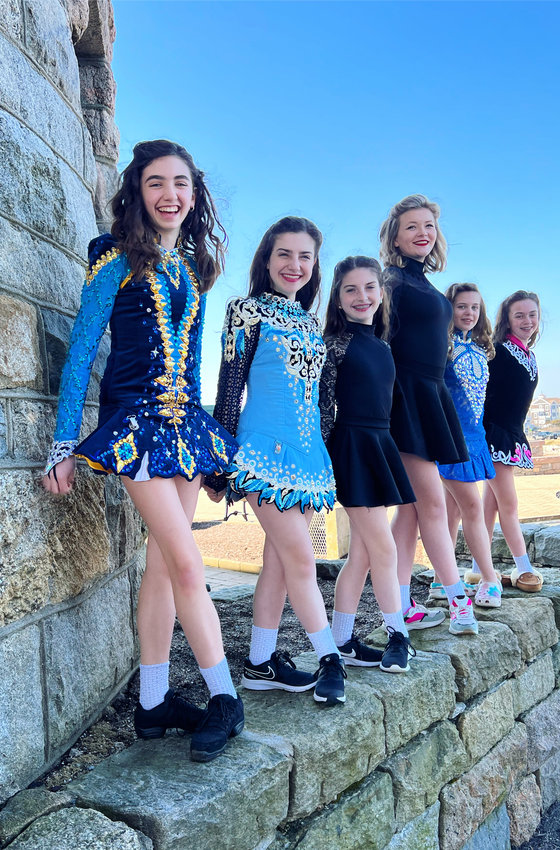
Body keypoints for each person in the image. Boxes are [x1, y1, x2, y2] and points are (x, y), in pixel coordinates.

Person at [42, 139, 243, 763]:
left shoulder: (192, 267)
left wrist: (211, 452)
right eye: (156, 183)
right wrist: (63, 442)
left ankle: (152, 704)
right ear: (137, 191)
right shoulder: (113, 259)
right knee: (188, 564)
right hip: (134, 423)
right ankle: (226, 698)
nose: (170, 194)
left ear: (194, 193)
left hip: (186, 429)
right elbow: (81, 350)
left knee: (162, 564)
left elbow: (195, 358)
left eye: (180, 183)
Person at [205, 216, 346, 705]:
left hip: (309, 458)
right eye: (285, 254)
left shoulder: (310, 322)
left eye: (305, 256)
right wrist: (218, 464)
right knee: (301, 558)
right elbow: (229, 388)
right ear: (266, 258)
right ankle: (330, 658)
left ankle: (260, 664)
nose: (295, 264)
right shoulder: (245, 311)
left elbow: (319, 399)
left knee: (280, 566)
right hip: (262, 455)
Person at [379, 194, 478, 636]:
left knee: (413, 511)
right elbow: (378, 339)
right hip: (407, 396)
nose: (423, 233)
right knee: (433, 503)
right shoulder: (391, 281)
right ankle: (458, 600)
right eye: (412, 226)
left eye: (429, 226)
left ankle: (400, 605)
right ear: (395, 237)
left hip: (431, 394)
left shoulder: (424, 283)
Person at [319, 256, 416, 672]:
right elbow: (323, 407)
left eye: (369, 288)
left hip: (380, 444)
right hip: (351, 447)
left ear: (381, 293)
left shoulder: (383, 345)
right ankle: (399, 634)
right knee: (382, 544)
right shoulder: (334, 344)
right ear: (338, 300)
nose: (362, 297)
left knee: (360, 553)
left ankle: (342, 640)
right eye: (350, 290)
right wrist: (322, 461)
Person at [436, 283, 502, 607]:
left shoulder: (478, 349)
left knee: (452, 513)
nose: (469, 313)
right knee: (473, 507)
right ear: (450, 309)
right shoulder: (441, 347)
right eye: (462, 306)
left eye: (474, 307)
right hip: (450, 439)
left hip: (475, 438)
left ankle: (439, 579)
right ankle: (490, 578)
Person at [482, 291, 542, 591]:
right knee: (509, 503)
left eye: (532, 314)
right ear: (506, 318)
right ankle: (524, 568)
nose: (527, 321)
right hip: (495, 435)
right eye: (519, 315)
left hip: (511, 434)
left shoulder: (527, 354)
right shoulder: (497, 351)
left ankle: (481, 568)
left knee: (489, 507)